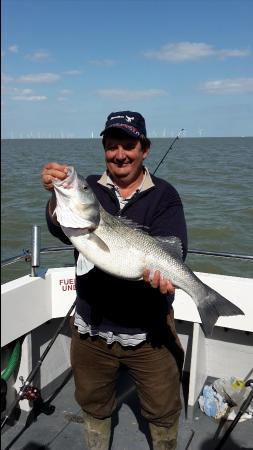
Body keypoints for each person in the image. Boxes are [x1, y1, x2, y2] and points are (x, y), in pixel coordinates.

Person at [41, 111, 187, 450]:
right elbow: (59, 224)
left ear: (145, 149)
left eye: (129, 145)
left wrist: (167, 278)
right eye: (112, 146)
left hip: (150, 333)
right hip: (92, 328)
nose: (120, 154)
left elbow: (174, 250)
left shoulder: (165, 196)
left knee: (164, 411)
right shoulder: (88, 188)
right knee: (93, 404)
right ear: (104, 150)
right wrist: (55, 193)